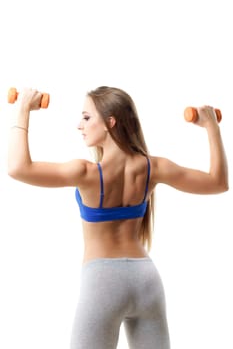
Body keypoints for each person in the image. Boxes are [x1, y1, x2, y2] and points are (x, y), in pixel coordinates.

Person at [8, 86, 228, 349]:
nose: (80, 125)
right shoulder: (152, 168)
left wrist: (22, 110)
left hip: (102, 282)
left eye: (87, 117)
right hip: (146, 280)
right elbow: (218, 183)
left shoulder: (86, 173)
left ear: (110, 123)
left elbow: (18, 168)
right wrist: (212, 127)